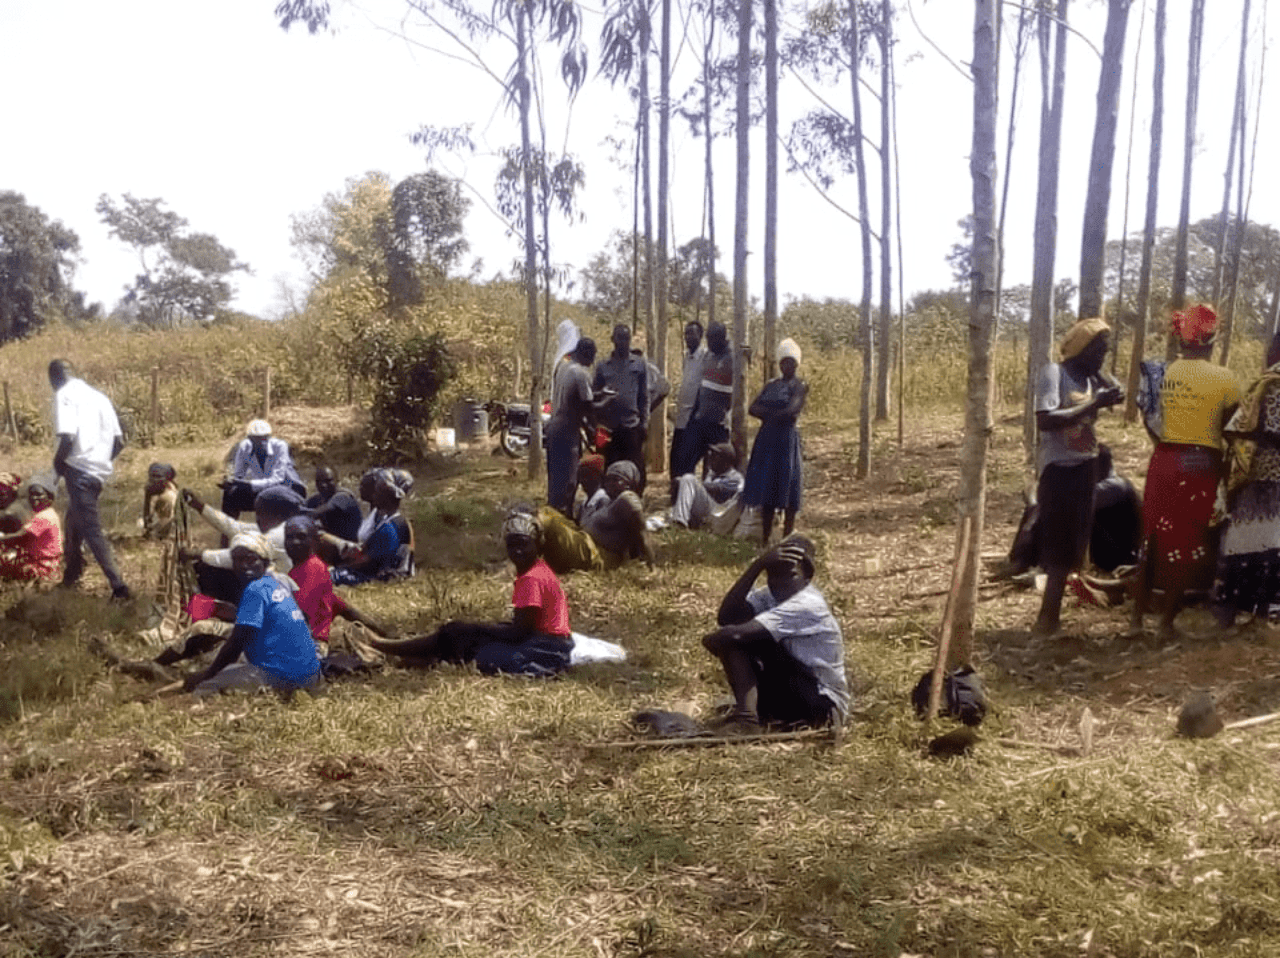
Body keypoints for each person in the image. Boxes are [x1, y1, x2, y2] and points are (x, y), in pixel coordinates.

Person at [1129, 304, 1241, 640]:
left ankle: (1135, 621)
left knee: (1152, 537)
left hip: (1163, 459)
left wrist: (1167, 443)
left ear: (1182, 337)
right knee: (1186, 541)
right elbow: (1232, 429)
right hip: (1201, 464)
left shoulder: (1159, 372)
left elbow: (1151, 422)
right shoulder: (1226, 379)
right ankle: (1165, 624)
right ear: (1213, 337)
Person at [369, 508, 573, 676]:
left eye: (524, 544)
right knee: (460, 635)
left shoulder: (531, 578)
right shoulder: (539, 569)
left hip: (545, 649)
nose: (517, 551)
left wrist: (476, 628)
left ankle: (386, 647)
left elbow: (519, 632)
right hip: (552, 644)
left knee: (468, 643)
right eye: (512, 545)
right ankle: (403, 653)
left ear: (537, 544)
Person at [1030, 318, 1124, 638]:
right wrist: (1094, 404)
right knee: (1057, 547)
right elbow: (1045, 420)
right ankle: (1046, 622)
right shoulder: (1053, 374)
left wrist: (1107, 388)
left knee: (1074, 545)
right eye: (1097, 350)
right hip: (1059, 470)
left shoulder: (1089, 377)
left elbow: (1114, 392)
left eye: (1105, 352)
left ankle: (1056, 616)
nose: (1102, 357)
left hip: (1085, 467)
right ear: (1081, 349)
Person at [701, 535, 848, 732]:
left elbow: (732, 635)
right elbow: (728, 617)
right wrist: (756, 566)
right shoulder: (770, 595)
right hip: (797, 691)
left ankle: (747, 721)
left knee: (738, 638)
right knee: (741, 636)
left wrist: (714, 640)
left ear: (807, 576)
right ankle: (752, 716)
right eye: (773, 575)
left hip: (823, 706)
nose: (780, 583)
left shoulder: (807, 604)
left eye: (791, 575)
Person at [182, 531, 322, 697]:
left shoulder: (255, 590)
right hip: (312, 676)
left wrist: (208, 674)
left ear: (264, 561)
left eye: (250, 559)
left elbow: (236, 644)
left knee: (204, 689)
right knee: (231, 671)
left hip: (281, 676)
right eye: (237, 560)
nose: (243, 566)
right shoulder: (279, 583)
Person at [48, 358, 131, 600]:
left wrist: (58, 464)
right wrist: (101, 461)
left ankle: (120, 588)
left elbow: (67, 436)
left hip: (79, 472)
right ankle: (72, 572)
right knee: (73, 520)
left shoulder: (64, 394)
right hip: (96, 473)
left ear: (53, 377)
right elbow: (119, 441)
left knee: (91, 530)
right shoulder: (99, 397)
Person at [1212, 331, 1280, 626]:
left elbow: (1235, 427)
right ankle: (1259, 613)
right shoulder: (1271, 384)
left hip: (1254, 472)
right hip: (1271, 474)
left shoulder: (1266, 383)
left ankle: (1233, 611)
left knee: (1245, 539)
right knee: (1269, 543)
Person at [180, 486, 302, 601]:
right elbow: (234, 527)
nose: (257, 518)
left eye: (261, 513)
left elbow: (238, 556)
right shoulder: (278, 527)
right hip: (273, 585)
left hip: (276, 592)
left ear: (277, 514)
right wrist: (200, 506)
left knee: (208, 569)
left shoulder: (279, 535)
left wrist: (200, 554)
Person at [742, 338, 808, 545]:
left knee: (788, 486)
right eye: (783, 362)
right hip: (768, 440)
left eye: (790, 362)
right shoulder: (771, 385)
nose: (786, 366)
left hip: (786, 440)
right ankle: (765, 538)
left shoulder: (800, 385)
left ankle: (787, 537)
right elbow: (752, 408)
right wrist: (777, 414)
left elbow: (792, 411)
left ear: (796, 364)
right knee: (767, 488)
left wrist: (768, 413)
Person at [283, 516, 388, 645]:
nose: (295, 542)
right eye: (289, 537)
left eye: (301, 537)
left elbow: (296, 617)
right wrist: (382, 632)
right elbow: (341, 606)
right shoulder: (297, 572)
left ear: (315, 541)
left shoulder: (312, 568)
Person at [540, 460, 654, 574]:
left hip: (596, 553)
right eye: (608, 479)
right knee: (547, 511)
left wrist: (652, 566)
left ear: (628, 483)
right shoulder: (610, 503)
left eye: (616, 480)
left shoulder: (627, 498)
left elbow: (642, 532)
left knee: (548, 521)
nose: (609, 483)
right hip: (585, 544)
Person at [672, 320, 733, 482]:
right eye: (708, 339)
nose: (710, 343)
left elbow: (750, 350)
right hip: (700, 420)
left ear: (723, 338)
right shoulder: (709, 356)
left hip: (720, 424)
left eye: (713, 339)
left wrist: (742, 345)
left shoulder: (732, 355)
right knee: (684, 462)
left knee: (719, 468)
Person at [547, 337, 601, 515]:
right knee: (569, 481)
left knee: (555, 479)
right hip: (566, 432)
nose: (592, 362)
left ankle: (554, 514)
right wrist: (594, 432)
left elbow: (577, 402)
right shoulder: (581, 372)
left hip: (554, 429)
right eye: (592, 357)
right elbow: (588, 407)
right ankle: (563, 518)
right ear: (587, 354)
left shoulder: (563, 367)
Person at [593, 324, 649, 492]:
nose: (623, 341)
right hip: (608, 429)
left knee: (636, 469)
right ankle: (610, 505)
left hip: (631, 426)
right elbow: (594, 394)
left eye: (626, 338)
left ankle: (635, 503)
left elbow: (644, 396)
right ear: (613, 339)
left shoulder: (639, 364)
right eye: (619, 337)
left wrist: (644, 422)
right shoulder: (603, 366)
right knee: (609, 468)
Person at [331, 471, 413, 585]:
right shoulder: (395, 521)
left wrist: (339, 567)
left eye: (378, 491)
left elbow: (365, 562)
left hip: (376, 578)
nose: (374, 494)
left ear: (387, 496)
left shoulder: (389, 530)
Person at [220, 419, 306, 519]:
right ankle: (228, 527)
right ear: (250, 439)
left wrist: (249, 484)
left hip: (287, 489)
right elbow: (239, 474)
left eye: (264, 438)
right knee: (230, 494)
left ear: (269, 437)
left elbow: (278, 479)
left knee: (268, 495)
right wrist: (231, 483)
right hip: (263, 491)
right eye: (256, 439)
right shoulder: (244, 447)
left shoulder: (280, 446)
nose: (261, 442)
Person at [670, 321, 707, 502]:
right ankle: (675, 498)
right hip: (681, 418)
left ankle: (686, 500)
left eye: (692, 334)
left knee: (687, 462)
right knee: (675, 459)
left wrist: (696, 413)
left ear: (701, 335)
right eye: (686, 334)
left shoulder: (705, 356)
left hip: (694, 418)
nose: (688, 337)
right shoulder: (687, 357)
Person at [670, 442, 744, 532]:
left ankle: (680, 523)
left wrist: (694, 484)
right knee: (684, 482)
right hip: (709, 513)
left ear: (726, 461)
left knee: (688, 479)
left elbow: (720, 490)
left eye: (715, 455)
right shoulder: (712, 474)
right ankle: (677, 518)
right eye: (711, 454)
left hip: (721, 515)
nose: (711, 458)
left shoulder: (736, 477)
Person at [0, 478, 62, 583]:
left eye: (39, 495)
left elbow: (20, 537)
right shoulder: (49, 513)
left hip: (41, 566)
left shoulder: (43, 517)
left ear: (50, 498)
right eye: (31, 495)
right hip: (48, 562)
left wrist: (2, 538)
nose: (34, 498)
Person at [303, 466, 363, 542]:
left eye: (328, 480)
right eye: (319, 481)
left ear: (337, 481)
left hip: (349, 546)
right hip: (332, 546)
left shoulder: (344, 497)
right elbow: (302, 509)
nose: (323, 485)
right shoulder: (317, 498)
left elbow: (319, 512)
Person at [142, 462, 179, 540]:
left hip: (167, 493)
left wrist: (146, 525)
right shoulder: (150, 489)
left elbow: (146, 509)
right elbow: (146, 509)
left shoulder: (169, 492)